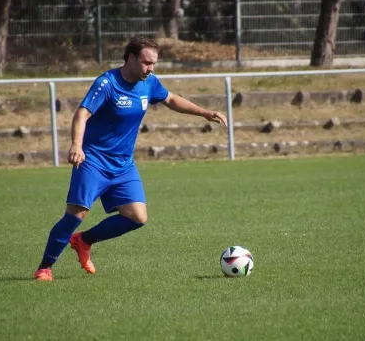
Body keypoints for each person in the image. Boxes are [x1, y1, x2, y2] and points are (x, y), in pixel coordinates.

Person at [34, 36, 228, 281]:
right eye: (147, 63)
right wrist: (76, 145)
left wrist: (205, 112)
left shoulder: (149, 83)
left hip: (123, 165)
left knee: (137, 217)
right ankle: (45, 267)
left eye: (154, 63)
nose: (151, 68)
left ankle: (83, 241)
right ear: (131, 58)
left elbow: (171, 99)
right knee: (76, 214)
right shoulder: (107, 83)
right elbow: (82, 113)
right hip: (93, 160)